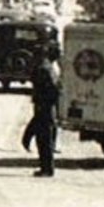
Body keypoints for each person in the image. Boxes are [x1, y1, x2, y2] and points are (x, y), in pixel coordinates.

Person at [28, 44, 62, 177]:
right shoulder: (47, 67)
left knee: (44, 140)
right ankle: (46, 167)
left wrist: (44, 104)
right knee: (44, 139)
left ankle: (47, 169)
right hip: (46, 107)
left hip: (45, 108)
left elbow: (52, 90)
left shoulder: (43, 69)